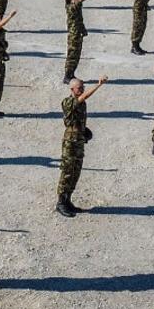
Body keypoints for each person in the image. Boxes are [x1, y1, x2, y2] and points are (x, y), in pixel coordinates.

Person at [57, 76, 107, 217]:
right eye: (79, 88)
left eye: (82, 87)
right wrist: (98, 85)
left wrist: (84, 130)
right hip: (70, 143)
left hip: (78, 141)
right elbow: (83, 97)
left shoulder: (81, 103)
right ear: (72, 89)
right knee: (67, 172)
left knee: (75, 171)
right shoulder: (68, 102)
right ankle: (60, 202)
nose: (82, 90)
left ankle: (68, 200)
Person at [63, 0, 97, 82]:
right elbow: (81, 0)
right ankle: (67, 76)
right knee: (72, 55)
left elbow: (80, 19)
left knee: (77, 55)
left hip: (78, 33)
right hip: (74, 35)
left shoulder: (77, 6)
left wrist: (83, 30)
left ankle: (71, 74)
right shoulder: (71, 7)